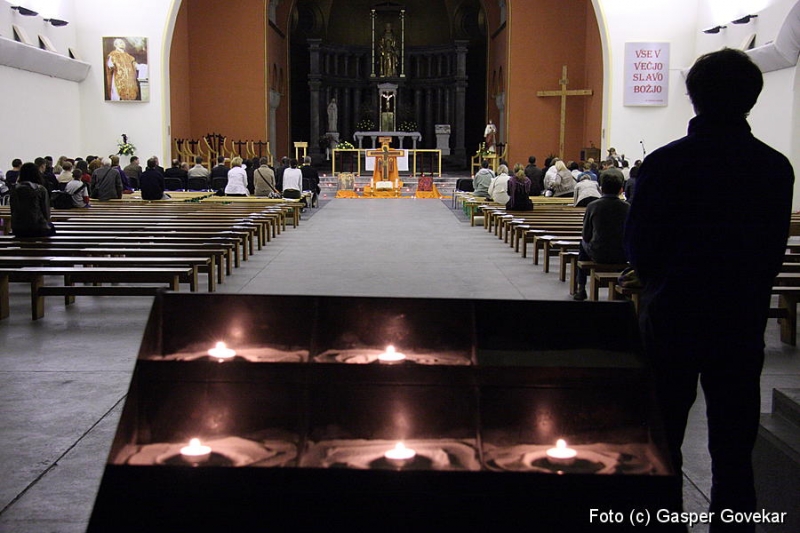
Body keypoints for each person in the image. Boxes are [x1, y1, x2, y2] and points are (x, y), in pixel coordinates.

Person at [624, 48, 794, 531]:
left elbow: (638, 249)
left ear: (691, 95)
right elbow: (771, 252)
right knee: (734, 448)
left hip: (671, 317)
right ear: (752, 99)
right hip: (739, 321)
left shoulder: (664, 164)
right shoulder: (774, 167)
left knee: (662, 441)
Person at [573, 169, 628, 301]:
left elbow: (586, 234)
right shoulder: (627, 207)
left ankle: (581, 287)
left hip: (599, 253)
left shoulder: (593, 206)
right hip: (622, 254)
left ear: (601, 189)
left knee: (582, 244)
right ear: (621, 190)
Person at [10, 162, 55, 237]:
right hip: (38, 227)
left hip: (18, 228)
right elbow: (46, 212)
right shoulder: (40, 189)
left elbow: (13, 209)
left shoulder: (14, 189)